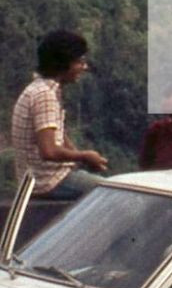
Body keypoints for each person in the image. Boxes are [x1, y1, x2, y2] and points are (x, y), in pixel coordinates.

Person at [10, 29, 109, 200]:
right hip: (48, 182)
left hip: (43, 178)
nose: (84, 67)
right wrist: (84, 155)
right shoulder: (44, 96)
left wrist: (80, 159)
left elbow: (59, 135)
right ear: (63, 63)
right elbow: (48, 151)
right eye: (79, 62)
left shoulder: (40, 89)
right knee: (113, 193)